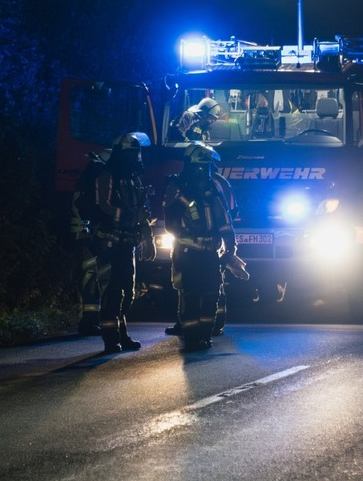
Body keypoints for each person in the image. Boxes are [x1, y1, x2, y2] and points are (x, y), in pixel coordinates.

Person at [163, 142, 248, 352]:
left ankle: (205, 335)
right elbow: (170, 225)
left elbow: (225, 223)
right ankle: (192, 336)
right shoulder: (178, 190)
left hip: (210, 253)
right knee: (190, 295)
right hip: (187, 253)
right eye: (203, 167)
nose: (205, 172)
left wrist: (230, 250)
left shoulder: (214, 191)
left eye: (207, 167)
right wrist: (184, 204)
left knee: (211, 294)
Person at [90, 132, 154, 354]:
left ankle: (122, 334)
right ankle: (110, 339)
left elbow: (143, 211)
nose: (135, 158)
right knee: (112, 292)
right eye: (130, 154)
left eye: (136, 153)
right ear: (121, 155)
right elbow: (103, 206)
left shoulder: (134, 179)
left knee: (129, 291)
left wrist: (149, 238)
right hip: (109, 244)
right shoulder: (107, 176)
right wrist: (128, 217)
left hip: (128, 245)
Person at [72, 149, 109, 336]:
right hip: (91, 237)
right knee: (90, 276)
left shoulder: (88, 179)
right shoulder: (95, 181)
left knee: (91, 276)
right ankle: (88, 321)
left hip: (87, 235)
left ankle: (91, 320)